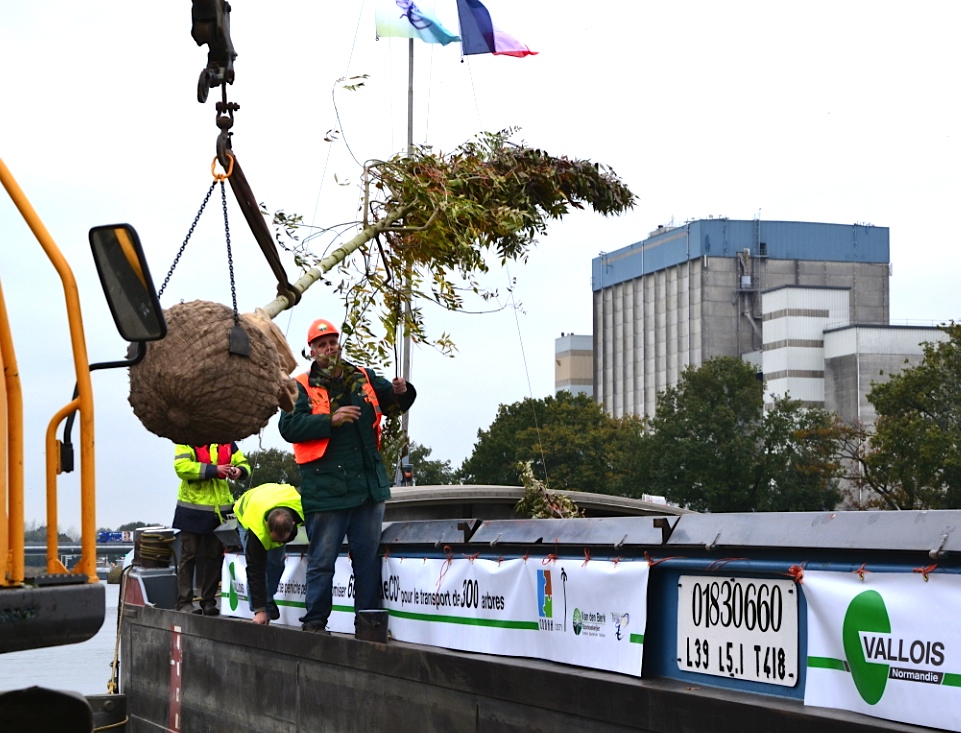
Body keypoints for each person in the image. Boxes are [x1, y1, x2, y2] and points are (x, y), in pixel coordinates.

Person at [279, 318, 416, 634]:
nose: (329, 347)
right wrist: (330, 419)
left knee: (367, 561)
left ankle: (367, 624)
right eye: (322, 343)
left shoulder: (363, 376)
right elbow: (288, 427)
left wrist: (402, 391)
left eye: (333, 341)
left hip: (367, 487)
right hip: (326, 489)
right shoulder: (300, 385)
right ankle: (315, 624)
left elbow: (394, 403)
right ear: (312, 351)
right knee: (322, 561)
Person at [172, 442, 250, 615]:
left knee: (214, 558)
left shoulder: (227, 441)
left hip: (220, 512)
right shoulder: (187, 439)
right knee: (188, 557)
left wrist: (239, 471)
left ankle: (208, 602)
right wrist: (214, 470)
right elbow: (181, 467)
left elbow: (243, 463)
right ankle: (184, 602)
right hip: (192, 509)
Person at [233, 482, 304, 625]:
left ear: (293, 524)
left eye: (282, 540)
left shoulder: (301, 507)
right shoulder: (256, 529)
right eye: (274, 539)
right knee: (259, 565)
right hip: (247, 510)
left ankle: (268, 598)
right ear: (267, 526)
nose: (278, 543)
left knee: (277, 563)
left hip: (274, 496)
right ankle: (259, 608)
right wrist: (260, 610)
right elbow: (255, 570)